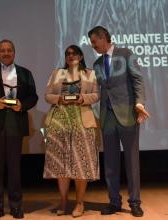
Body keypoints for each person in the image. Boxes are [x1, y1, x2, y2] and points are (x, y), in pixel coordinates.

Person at [88, 26, 150, 217]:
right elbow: (98, 89)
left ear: (103, 37)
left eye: (94, 42)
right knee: (110, 162)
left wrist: (139, 103)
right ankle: (114, 201)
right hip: (107, 118)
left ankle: (135, 202)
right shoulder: (97, 63)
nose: (93, 46)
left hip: (127, 115)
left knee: (132, 161)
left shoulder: (125, 54)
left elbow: (138, 80)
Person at [43, 45, 100, 217]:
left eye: (74, 53)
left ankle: (80, 203)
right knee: (61, 166)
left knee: (81, 165)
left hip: (82, 123)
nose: (70, 56)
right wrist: (59, 98)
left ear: (81, 56)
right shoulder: (57, 73)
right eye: (67, 54)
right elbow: (47, 96)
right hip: (59, 124)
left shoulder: (90, 74)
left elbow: (96, 95)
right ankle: (63, 201)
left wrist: (82, 98)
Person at [0, 39, 38, 219]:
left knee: (15, 168)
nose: (6, 53)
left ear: (14, 52)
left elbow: (33, 97)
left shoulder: (25, 73)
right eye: (3, 50)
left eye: (9, 50)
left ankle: (16, 206)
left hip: (16, 123)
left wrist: (22, 105)